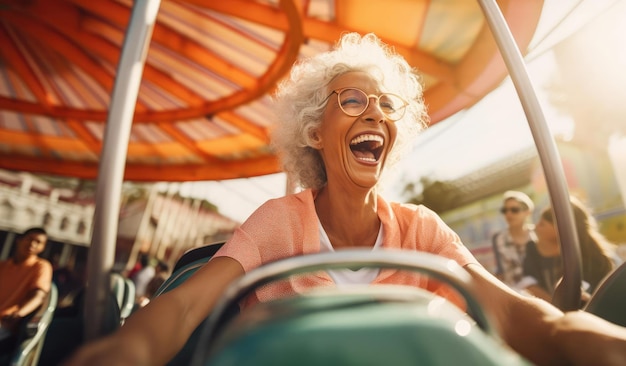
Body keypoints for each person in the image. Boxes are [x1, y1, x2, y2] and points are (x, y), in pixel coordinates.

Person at [66, 33, 626, 366]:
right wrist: (126, 353)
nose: (375, 114)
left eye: (384, 104)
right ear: (314, 130)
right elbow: (186, 307)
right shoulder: (278, 223)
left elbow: (511, 312)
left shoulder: (423, 229)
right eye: (354, 100)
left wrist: (584, 339)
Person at [520, 196, 622, 304]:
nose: (536, 227)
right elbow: (529, 282)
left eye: (542, 224)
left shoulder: (597, 262)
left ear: (559, 228)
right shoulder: (535, 250)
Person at [0, 227, 53, 357]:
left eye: (38, 242)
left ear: (43, 248)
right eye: (29, 239)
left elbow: (38, 296)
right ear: (19, 240)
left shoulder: (41, 266)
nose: (32, 244)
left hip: (5, 323)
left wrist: (19, 314)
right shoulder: (3, 266)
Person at [491, 190, 536, 288]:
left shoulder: (537, 233)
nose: (508, 214)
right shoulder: (498, 238)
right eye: (505, 210)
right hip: (513, 293)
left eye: (514, 210)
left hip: (540, 291)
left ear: (527, 212)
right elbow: (500, 270)